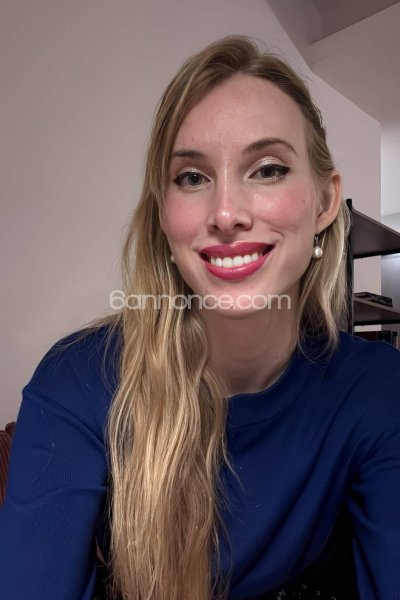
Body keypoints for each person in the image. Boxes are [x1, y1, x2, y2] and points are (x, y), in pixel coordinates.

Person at [1, 35, 399, 600]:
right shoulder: (78, 381)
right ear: (165, 216)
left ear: (325, 202)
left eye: (267, 169)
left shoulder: (376, 389)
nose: (226, 213)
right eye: (191, 177)